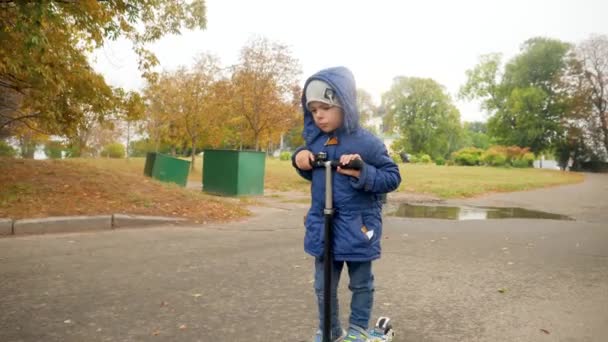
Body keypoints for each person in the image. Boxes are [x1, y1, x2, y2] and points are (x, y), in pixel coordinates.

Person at [292, 67, 401, 342]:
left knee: (361, 283)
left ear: (344, 103)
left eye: (326, 107)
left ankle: (357, 330)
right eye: (314, 109)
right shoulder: (315, 141)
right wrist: (300, 158)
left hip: (357, 226)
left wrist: (362, 171)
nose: (319, 115)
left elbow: (392, 177)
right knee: (322, 285)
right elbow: (312, 169)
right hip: (323, 226)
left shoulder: (367, 142)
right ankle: (329, 329)